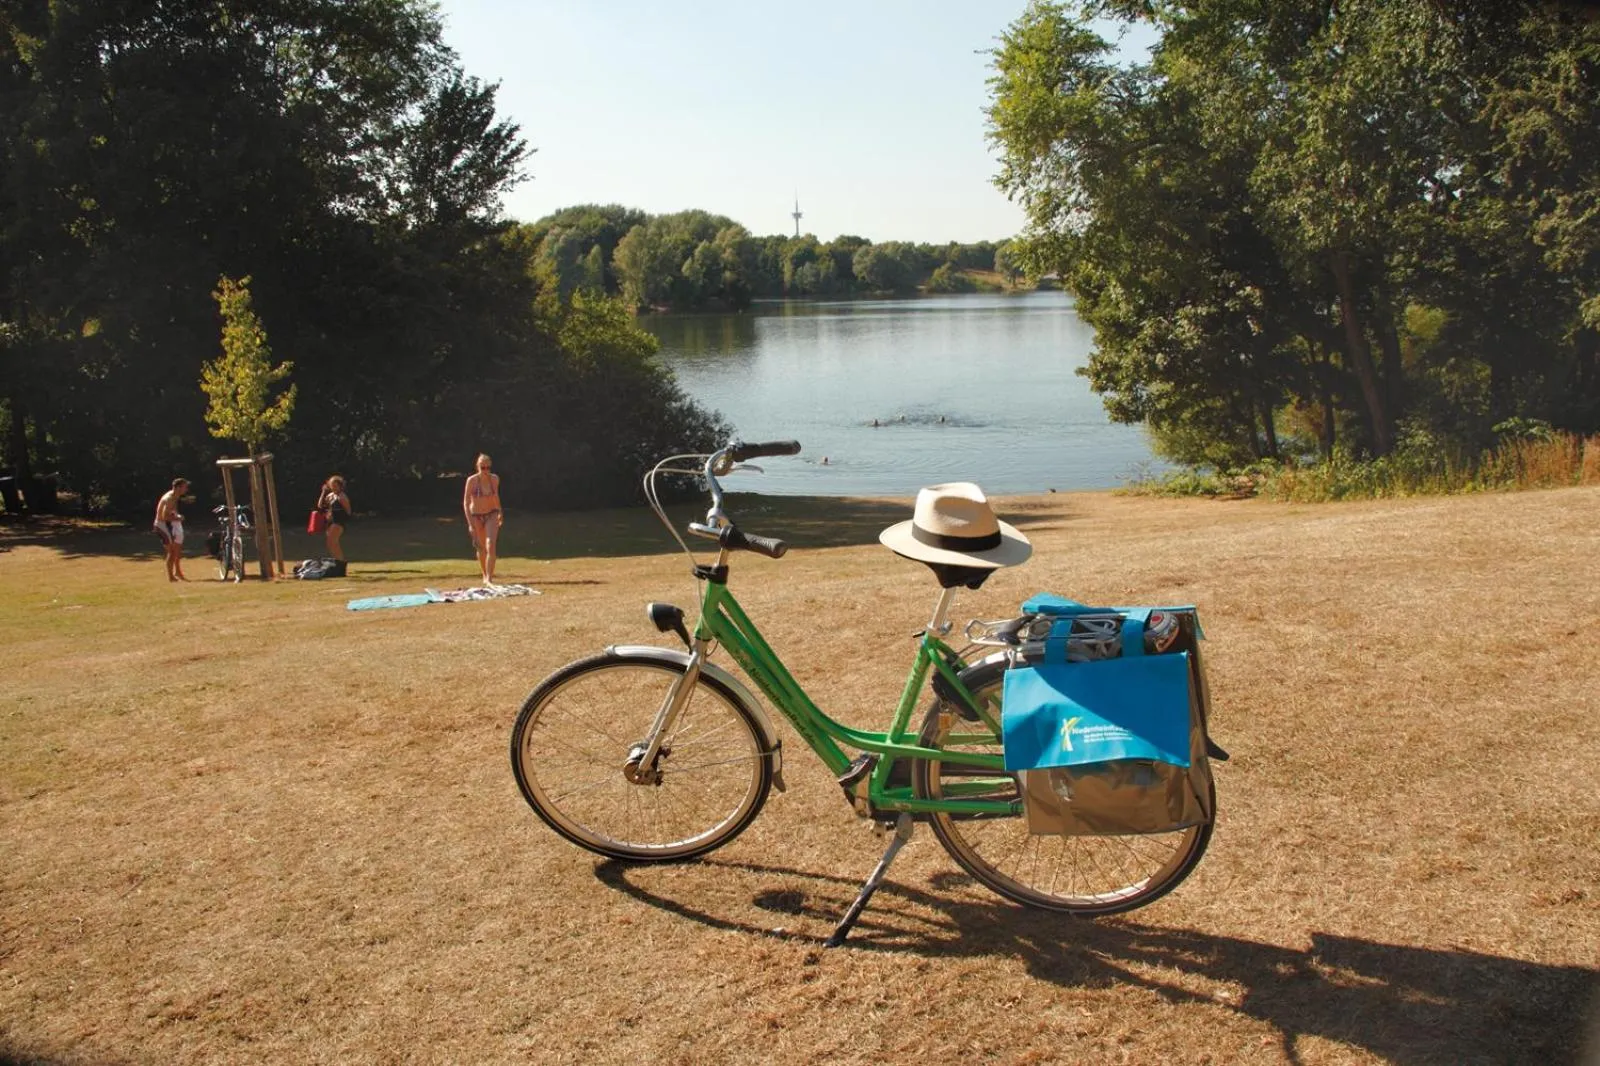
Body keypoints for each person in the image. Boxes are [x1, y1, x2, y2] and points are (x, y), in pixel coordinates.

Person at [463, 453, 503, 585]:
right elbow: (466, 502)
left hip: (491, 513)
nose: (485, 470)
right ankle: (484, 574)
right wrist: (470, 524)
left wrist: (500, 511)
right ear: (477, 467)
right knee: (481, 548)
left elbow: (496, 496)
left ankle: (489, 578)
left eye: (488, 467)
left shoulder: (494, 479)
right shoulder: (472, 481)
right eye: (482, 467)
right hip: (476, 516)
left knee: (491, 545)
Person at [153, 477, 190, 582]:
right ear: (178, 487)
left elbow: (173, 510)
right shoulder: (169, 498)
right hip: (161, 525)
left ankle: (176, 573)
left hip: (167, 525)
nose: (186, 489)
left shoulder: (175, 496)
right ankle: (171, 577)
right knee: (172, 552)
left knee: (175, 551)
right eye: (184, 487)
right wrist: (178, 518)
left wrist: (177, 515)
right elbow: (164, 517)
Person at [320, 475, 351, 563]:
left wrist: (335, 513)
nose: (333, 487)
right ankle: (338, 561)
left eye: (335, 485)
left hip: (338, 522)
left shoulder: (342, 497)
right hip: (330, 521)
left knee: (332, 541)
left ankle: (340, 562)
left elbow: (348, 512)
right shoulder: (330, 496)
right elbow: (320, 505)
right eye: (332, 485)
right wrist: (323, 492)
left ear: (340, 486)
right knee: (331, 543)